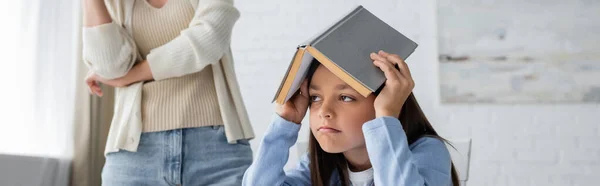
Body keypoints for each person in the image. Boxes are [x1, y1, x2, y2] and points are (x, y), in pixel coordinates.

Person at [82, 0, 254, 185]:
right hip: (134, 154)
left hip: (216, 152)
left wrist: (131, 76)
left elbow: (209, 39)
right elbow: (109, 67)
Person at [243, 50, 459, 186]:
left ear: (387, 102)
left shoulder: (428, 151)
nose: (324, 111)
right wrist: (286, 122)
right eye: (315, 97)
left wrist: (385, 118)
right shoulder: (321, 164)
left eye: (345, 97)